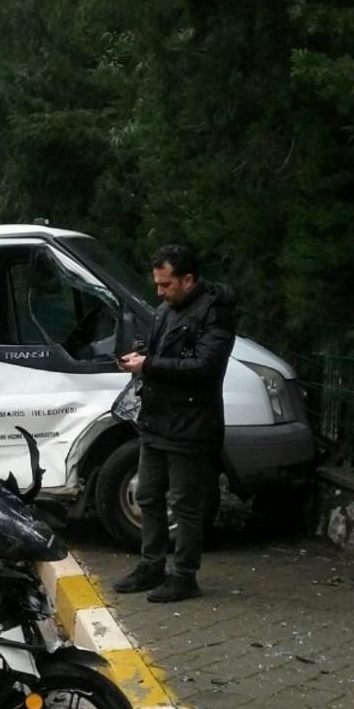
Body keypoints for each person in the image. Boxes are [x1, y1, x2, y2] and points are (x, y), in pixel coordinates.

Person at [113, 245, 237, 603]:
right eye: (157, 284)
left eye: (166, 284)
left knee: (185, 503)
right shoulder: (166, 309)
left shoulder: (216, 313)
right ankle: (151, 566)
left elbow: (204, 367)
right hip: (157, 418)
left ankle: (184, 576)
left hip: (191, 423)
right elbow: (164, 354)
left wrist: (148, 365)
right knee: (148, 494)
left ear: (188, 279)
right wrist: (139, 358)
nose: (160, 292)